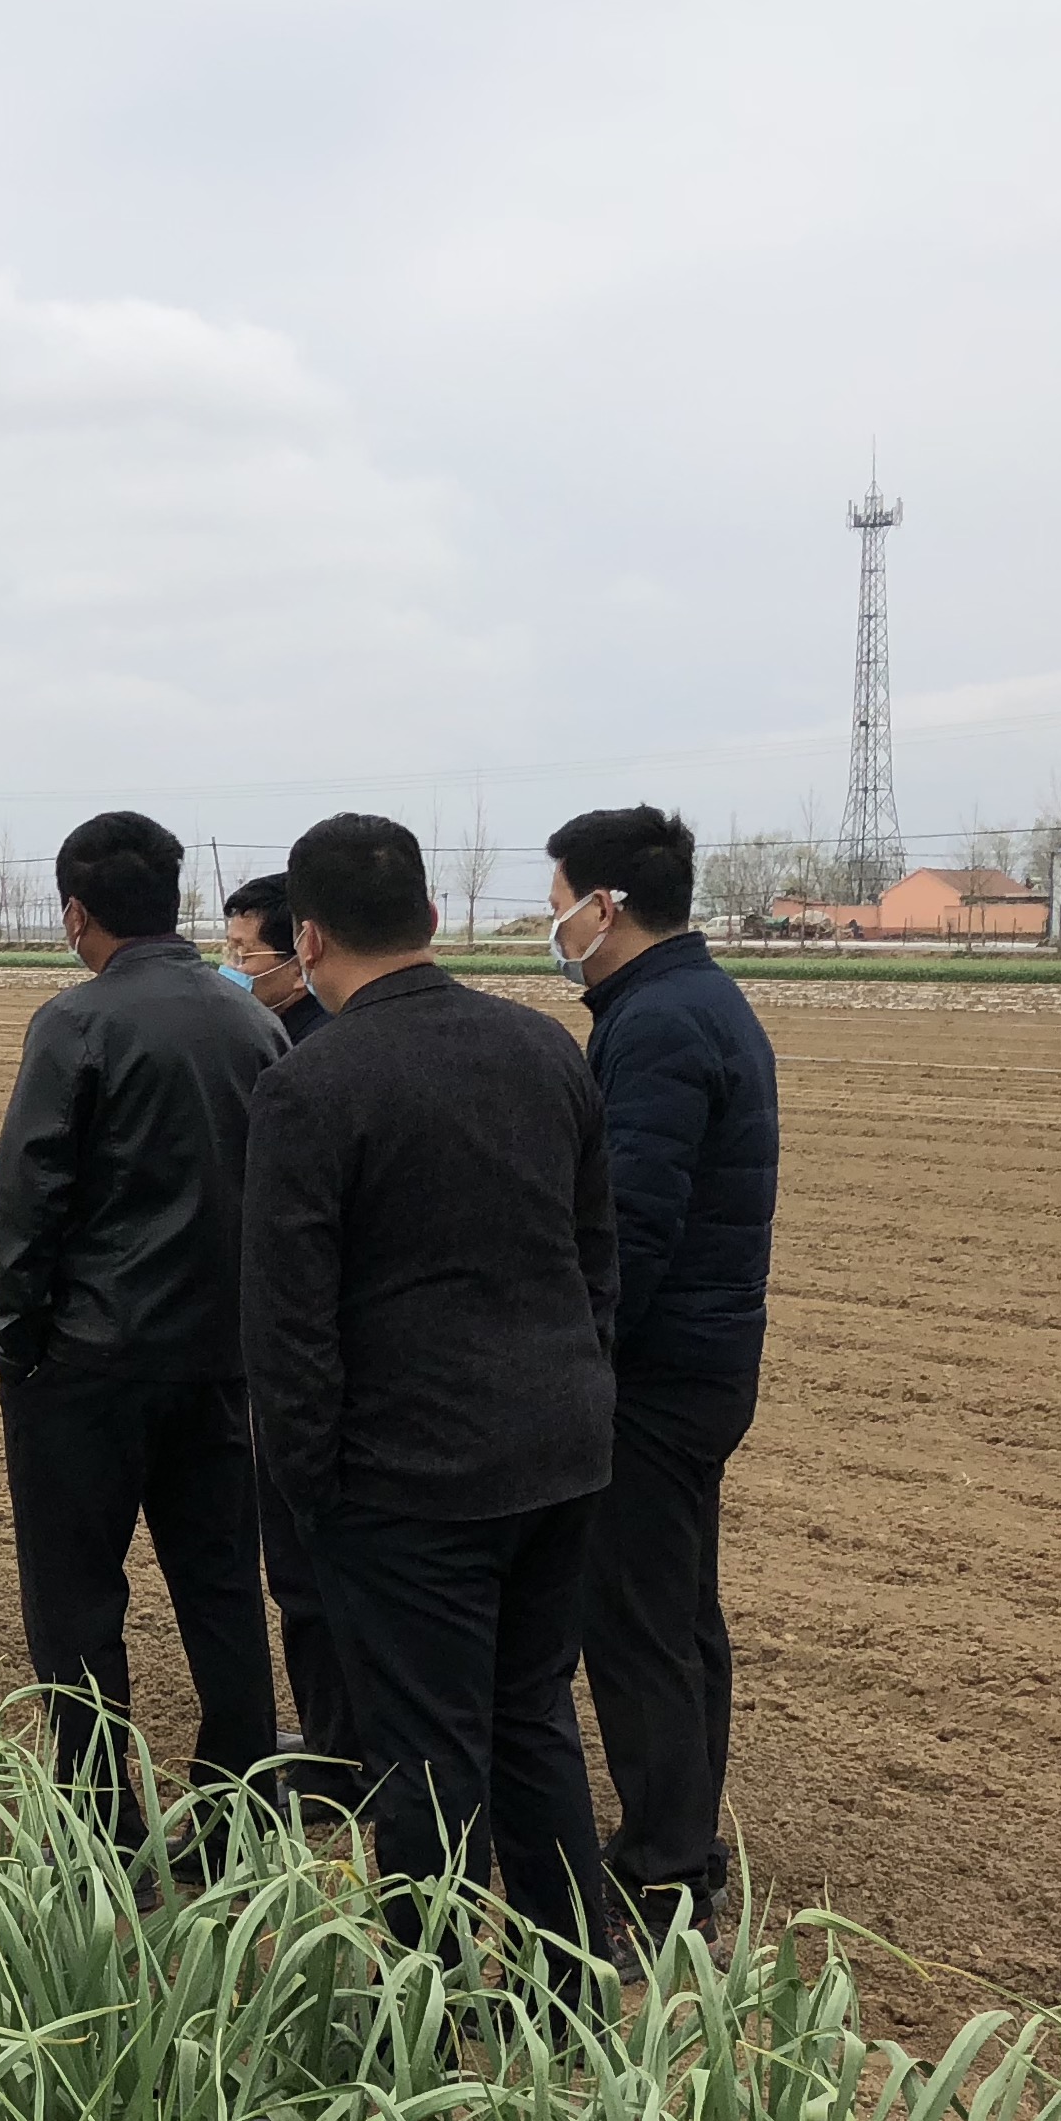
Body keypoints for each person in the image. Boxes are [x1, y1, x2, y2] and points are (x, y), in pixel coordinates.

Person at [242, 813, 616, 1989]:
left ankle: (431, 2007)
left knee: (424, 1751)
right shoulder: (545, 1048)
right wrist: (581, 1389)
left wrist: (310, 1492)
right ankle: (572, 1992)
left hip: (408, 1482)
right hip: (560, 1451)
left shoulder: (310, 1084)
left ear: (307, 939)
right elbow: (595, 1258)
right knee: (533, 1718)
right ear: (435, 917)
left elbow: (288, 1325)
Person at [0, 811, 283, 1873]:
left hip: (91, 1360)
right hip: (221, 1361)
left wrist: (18, 1340)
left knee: (77, 1602)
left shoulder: (76, 1022)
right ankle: (242, 1814)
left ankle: (98, 1828)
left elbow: (29, 1198)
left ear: (76, 912)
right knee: (222, 1589)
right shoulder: (253, 1021)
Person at [544, 804, 781, 1946]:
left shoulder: (659, 1024)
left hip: (657, 1371)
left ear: (607, 906)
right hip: (704, 1358)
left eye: (558, 907)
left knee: (638, 1622)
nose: (554, 929)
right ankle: (682, 1842)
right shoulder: (692, 999)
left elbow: (629, 1228)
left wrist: (578, 1363)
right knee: (678, 1614)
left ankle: (661, 1875)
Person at [220, 866, 358, 1812]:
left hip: (315, 1363)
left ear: (300, 948)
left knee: (315, 1569)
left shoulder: (309, 1059)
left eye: (244, 952)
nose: (232, 968)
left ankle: (341, 1758)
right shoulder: (283, 1036)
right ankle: (334, 1734)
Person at [218, 871, 325, 1044]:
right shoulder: (260, 1030)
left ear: (301, 967)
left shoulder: (316, 1046)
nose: (227, 968)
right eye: (229, 951)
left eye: (242, 955)